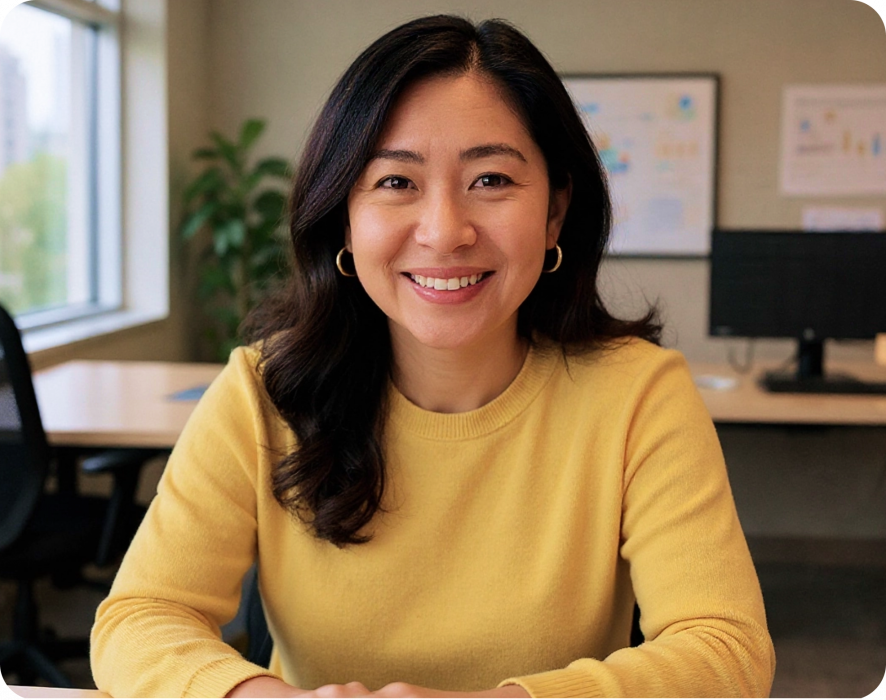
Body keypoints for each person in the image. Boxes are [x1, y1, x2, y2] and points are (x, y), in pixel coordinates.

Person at [91, 14, 775, 699]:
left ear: (554, 213)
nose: (445, 232)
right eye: (396, 182)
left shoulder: (639, 394)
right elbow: (140, 618)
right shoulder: (261, 392)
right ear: (344, 218)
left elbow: (725, 650)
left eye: (491, 179)